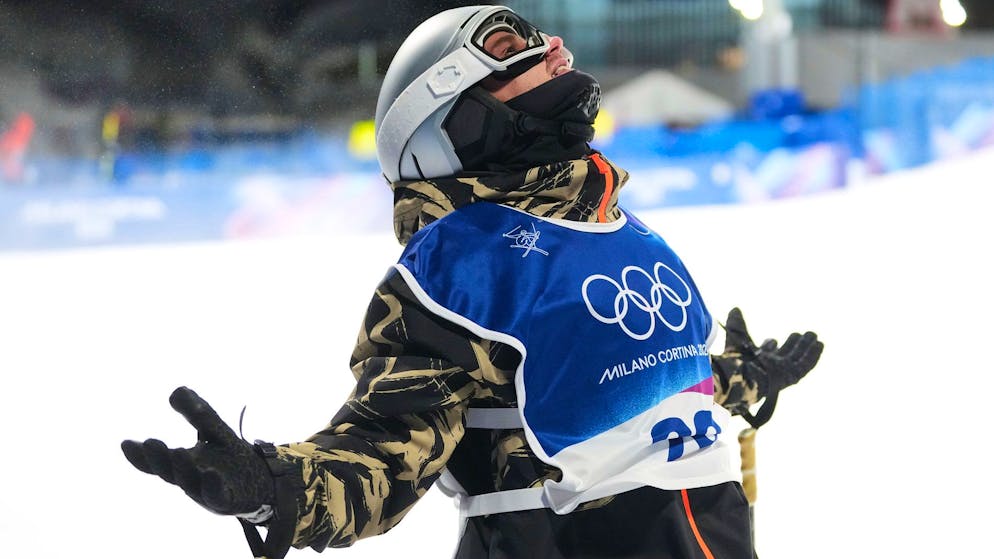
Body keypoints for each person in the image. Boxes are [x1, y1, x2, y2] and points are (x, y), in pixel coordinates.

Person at [122, 6, 824, 559]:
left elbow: (650, 383)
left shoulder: (623, 229)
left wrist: (746, 375)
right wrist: (275, 484)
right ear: (457, 114)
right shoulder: (461, 267)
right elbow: (384, 448)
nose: (554, 47)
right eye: (508, 46)